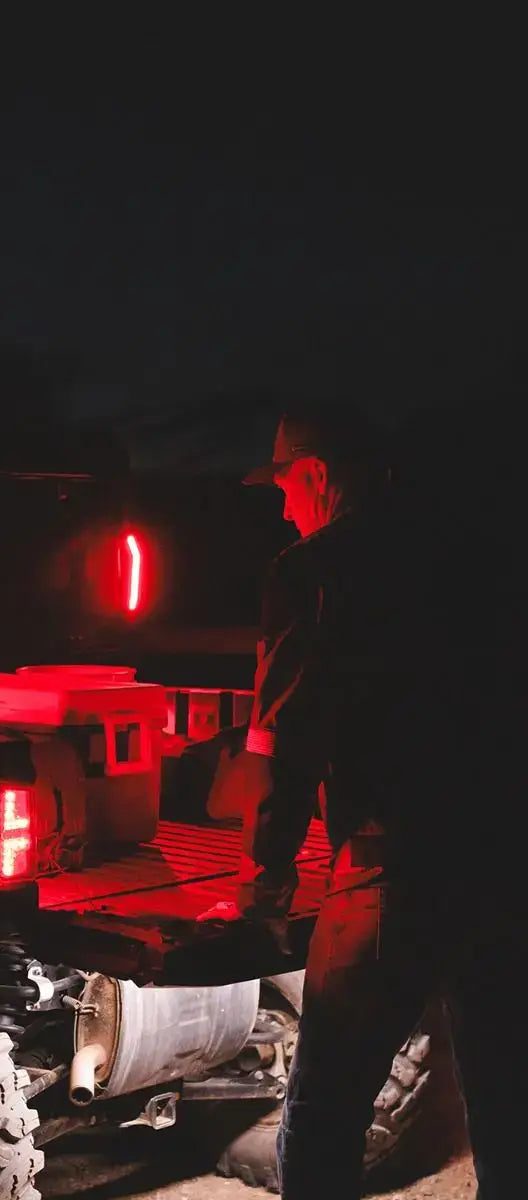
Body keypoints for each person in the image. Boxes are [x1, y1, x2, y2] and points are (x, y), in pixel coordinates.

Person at [197, 404, 513, 1199]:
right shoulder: (480, 556)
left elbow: (285, 740)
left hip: (391, 872)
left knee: (324, 1110)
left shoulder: (314, 570)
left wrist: (264, 887)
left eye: (283, 487)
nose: (283, 509)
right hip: (503, 863)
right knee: (507, 1098)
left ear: (315, 473)